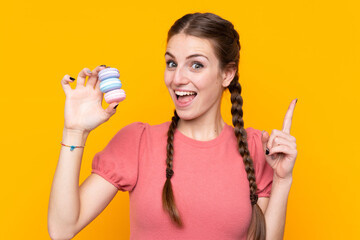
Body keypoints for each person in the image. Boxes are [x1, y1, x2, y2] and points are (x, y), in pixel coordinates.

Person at [48, 12, 297, 240]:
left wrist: (282, 180)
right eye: (171, 63)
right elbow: (62, 229)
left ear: (227, 74)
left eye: (196, 65)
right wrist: (75, 131)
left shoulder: (256, 148)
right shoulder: (137, 142)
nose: (177, 79)